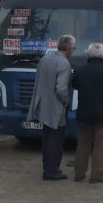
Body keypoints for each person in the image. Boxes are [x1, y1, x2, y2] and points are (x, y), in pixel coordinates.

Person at [72, 43, 103, 184]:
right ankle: (98, 174)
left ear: (88, 55)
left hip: (84, 114)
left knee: (83, 144)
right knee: (101, 145)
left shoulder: (80, 71)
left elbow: (75, 85)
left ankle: (79, 174)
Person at [27, 35, 75, 180]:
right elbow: (61, 89)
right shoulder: (64, 64)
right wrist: (67, 101)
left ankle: (47, 167)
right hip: (56, 108)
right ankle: (52, 171)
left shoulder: (45, 59)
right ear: (69, 49)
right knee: (56, 140)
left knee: (46, 139)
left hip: (42, 105)